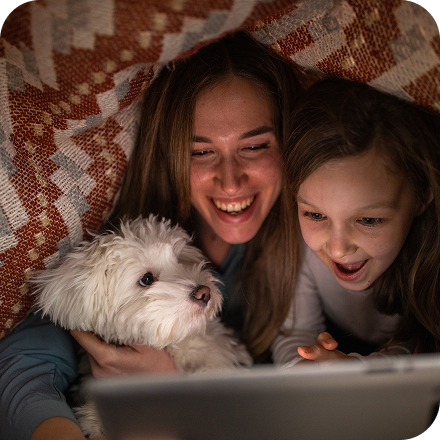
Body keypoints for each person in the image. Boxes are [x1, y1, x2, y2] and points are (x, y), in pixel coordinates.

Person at [0, 31, 303, 440]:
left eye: (254, 146)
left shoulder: (318, 237)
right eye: (201, 151)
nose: (231, 182)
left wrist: (170, 381)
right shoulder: (118, 238)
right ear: (171, 151)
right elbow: (28, 358)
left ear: (288, 144)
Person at [272, 77, 440, 368]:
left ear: (422, 195)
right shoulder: (299, 245)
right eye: (315, 215)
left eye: (368, 220)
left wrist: (358, 369)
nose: (337, 250)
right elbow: (296, 332)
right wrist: (305, 367)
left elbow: (424, 347)